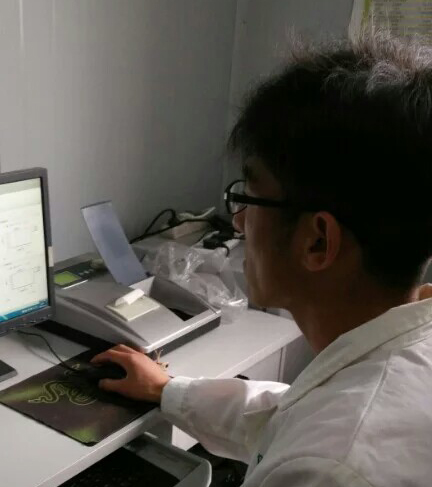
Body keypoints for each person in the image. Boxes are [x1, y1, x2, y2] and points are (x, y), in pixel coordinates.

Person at [92, 33, 432, 486]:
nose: (238, 223)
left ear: (317, 242)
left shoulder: (331, 470)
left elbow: (316, 441)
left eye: (249, 199)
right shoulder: (400, 358)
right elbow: (288, 414)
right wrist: (168, 391)